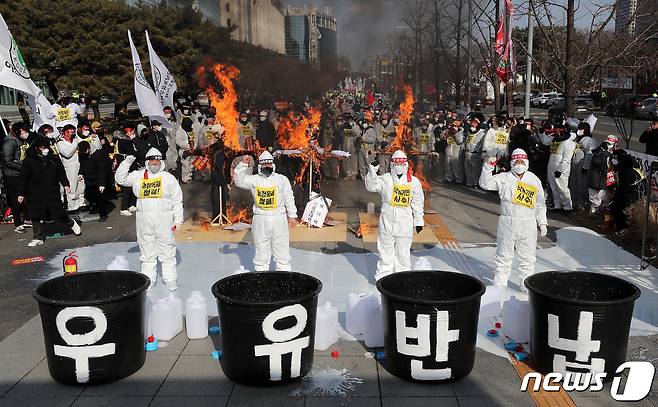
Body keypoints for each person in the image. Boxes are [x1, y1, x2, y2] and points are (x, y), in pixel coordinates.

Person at [115, 148, 184, 291]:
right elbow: (120, 179)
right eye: (152, 160)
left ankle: (170, 279)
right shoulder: (139, 176)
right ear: (147, 162)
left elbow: (177, 200)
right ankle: (148, 279)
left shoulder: (168, 178)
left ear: (161, 162)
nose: (155, 163)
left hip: (164, 220)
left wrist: (178, 220)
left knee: (167, 250)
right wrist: (126, 163)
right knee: (147, 252)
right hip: (144, 221)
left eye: (158, 160)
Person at [479, 149, 547, 290]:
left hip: (528, 223)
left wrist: (542, 221)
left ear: (527, 162)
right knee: (503, 256)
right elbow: (485, 184)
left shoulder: (534, 179)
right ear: (512, 163)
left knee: (527, 259)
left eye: (522, 161)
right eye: (516, 162)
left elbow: (540, 203)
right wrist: (488, 167)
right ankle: (499, 285)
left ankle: (526, 287)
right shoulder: (504, 177)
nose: (519, 164)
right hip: (508, 222)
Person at [234, 151, 298, 271]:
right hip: (260, 218)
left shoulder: (281, 180)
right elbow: (239, 180)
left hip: (278, 218)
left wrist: (292, 215)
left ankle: (283, 278)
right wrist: (243, 164)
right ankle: (261, 278)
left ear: (273, 165)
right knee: (261, 251)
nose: (267, 166)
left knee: (282, 250)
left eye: (269, 163)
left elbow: (289, 197)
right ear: (260, 166)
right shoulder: (254, 180)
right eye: (264, 164)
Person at [365, 150, 424, 280]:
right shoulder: (385, 179)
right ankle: (383, 278)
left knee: (403, 252)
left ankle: (402, 278)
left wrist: (418, 220)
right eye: (396, 162)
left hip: (405, 221)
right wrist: (372, 172)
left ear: (406, 164)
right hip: (388, 219)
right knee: (385, 251)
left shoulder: (413, 182)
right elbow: (371, 186)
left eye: (401, 163)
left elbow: (418, 201)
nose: (399, 166)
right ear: (392, 164)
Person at [18, 136, 82, 247]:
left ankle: (71, 223)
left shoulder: (54, 159)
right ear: (37, 148)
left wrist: (66, 184)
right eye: (42, 147)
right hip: (34, 192)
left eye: (46, 147)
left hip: (52, 190)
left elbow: (61, 173)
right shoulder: (29, 161)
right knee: (36, 215)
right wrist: (21, 193)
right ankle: (38, 237)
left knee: (58, 212)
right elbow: (23, 178)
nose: (45, 149)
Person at [539, 126, 576, 214]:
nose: (556, 133)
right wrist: (541, 133)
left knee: (562, 187)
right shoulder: (556, 139)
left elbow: (567, 159)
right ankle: (557, 205)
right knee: (553, 186)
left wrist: (560, 170)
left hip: (561, 168)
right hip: (551, 165)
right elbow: (545, 141)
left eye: (558, 132)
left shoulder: (568, 143)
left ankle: (567, 207)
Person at [2, 122, 30, 233]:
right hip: (12, 175)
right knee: (16, 199)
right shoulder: (9, 141)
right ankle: (18, 223)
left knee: (27, 196)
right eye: (22, 131)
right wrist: (23, 166)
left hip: (21, 173)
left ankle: (28, 219)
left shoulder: (20, 139)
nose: (24, 133)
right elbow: (8, 161)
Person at [610, 150, 645, 237]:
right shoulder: (629, 166)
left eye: (615, 158)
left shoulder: (626, 171)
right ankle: (622, 228)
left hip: (632, 195)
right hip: (633, 193)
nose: (613, 161)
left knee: (618, 209)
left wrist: (616, 197)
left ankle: (623, 229)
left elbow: (625, 188)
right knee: (616, 208)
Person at [77, 141, 110, 222]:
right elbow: (82, 164)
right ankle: (95, 206)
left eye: (85, 151)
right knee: (89, 195)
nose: (84, 153)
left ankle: (103, 214)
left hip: (98, 178)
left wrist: (102, 184)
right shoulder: (82, 154)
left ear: (89, 148)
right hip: (89, 178)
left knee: (100, 197)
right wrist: (80, 173)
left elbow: (102, 170)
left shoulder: (98, 155)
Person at [462, 116, 486, 188]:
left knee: (475, 170)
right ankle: (469, 182)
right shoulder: (470, 132)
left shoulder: (482, 133)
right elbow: (467, 140)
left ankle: (476, 183)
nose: (472, 123)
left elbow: (482, 143)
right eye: (472, 122)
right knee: (467, 169)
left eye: (474, 122)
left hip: (475, 154)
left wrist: (478, 150)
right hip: (467, 153)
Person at [442, 119, 465, 184]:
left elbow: (459, 141)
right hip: (448, 150)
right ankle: (448, 178)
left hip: (457, 152)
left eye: (456, 125)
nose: (454, 126)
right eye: (453, 125)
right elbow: (442, 137)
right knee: (447, 165)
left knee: (457, 166)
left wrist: (455, 134)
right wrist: (446, 133)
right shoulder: (448, 130)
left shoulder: (461, 132)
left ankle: (458, 179)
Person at [176, 117, 196, 183]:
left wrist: (193, 147)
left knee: (191, 165)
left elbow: (194, 139)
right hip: (184, 150)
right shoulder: (180, 131)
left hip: (192, 150)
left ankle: (190, 176)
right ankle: (185, 179)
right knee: (186, 165)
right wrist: (187, 146)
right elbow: (178, 141)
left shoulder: (191, 130)